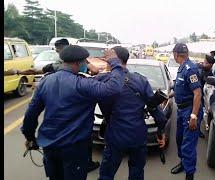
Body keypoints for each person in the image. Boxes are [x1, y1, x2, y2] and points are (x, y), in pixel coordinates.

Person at [21, 45, 125, 180]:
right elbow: (115, 87)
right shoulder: (83, 84)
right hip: (74, 147)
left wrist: (29, 137)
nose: (86, 65)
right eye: (85, 62)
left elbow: (31, 114)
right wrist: (115, 62)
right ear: (78, 63)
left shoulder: (45, 81)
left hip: (50, 146)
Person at [96, 46, 167, 180]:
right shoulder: (141, 80)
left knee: (106, 174)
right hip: (137, 134)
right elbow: (154, 107)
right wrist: (161, 131)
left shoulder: (104, 80)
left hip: (115, 135)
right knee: (137, 173)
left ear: (112, 60)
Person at [170, 43, 203, 180]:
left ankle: (189, 175)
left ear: (176, 54)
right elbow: (181, 88)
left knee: (188, 145)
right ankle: (183, 163)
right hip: (182, 109)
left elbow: (197, 94)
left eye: (174, 54)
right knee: (179, 139)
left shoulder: (190, 69)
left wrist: (194, 116)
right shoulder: (182, 68)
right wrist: (167, 96)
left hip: (190, 110)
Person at [197, 53, 215, 137]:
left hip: (201, 96)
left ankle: (197, 130)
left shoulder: (210, 74)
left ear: (211, 65)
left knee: (199, 113)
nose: (204, 63)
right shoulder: (199, 67)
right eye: (204, 61)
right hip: (194, 94)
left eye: (207, 63)